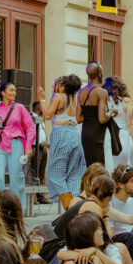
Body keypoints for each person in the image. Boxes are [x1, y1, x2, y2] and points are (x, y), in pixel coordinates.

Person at [0, 82, 35, 208]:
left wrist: (28, 146)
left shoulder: (20, 108)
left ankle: (18, 209)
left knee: (17, 177)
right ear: (3, 92)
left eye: (15, 90)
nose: (14, 93)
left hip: (16, 144)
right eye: (11, 90)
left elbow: (30, 128)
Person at [38, 75, 85, 209]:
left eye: (56, 83)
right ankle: (77, 207)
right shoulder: (74, 100)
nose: (54, 86)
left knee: (55, 175)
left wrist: (42, 99)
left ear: (63, 86)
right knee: (73, 175)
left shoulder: (58, 97)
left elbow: (47, 115)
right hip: (74, 136)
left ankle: (71, 210)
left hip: (61, 136)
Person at [77, 63, 110, 168]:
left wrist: (90, 117)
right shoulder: (102, 92)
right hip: (97, 136)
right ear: (99, 73)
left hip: (85, 134)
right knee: (99, 169)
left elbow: (78, 118)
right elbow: (102, 118)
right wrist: (111, 111)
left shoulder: (81, 92)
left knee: (90, 168)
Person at [104, 76, 133, 170]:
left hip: (109, 136)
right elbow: (130, 124)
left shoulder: (104, 101)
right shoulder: (126, 101)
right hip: (123, 136)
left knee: (110, 168)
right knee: (123, 169)